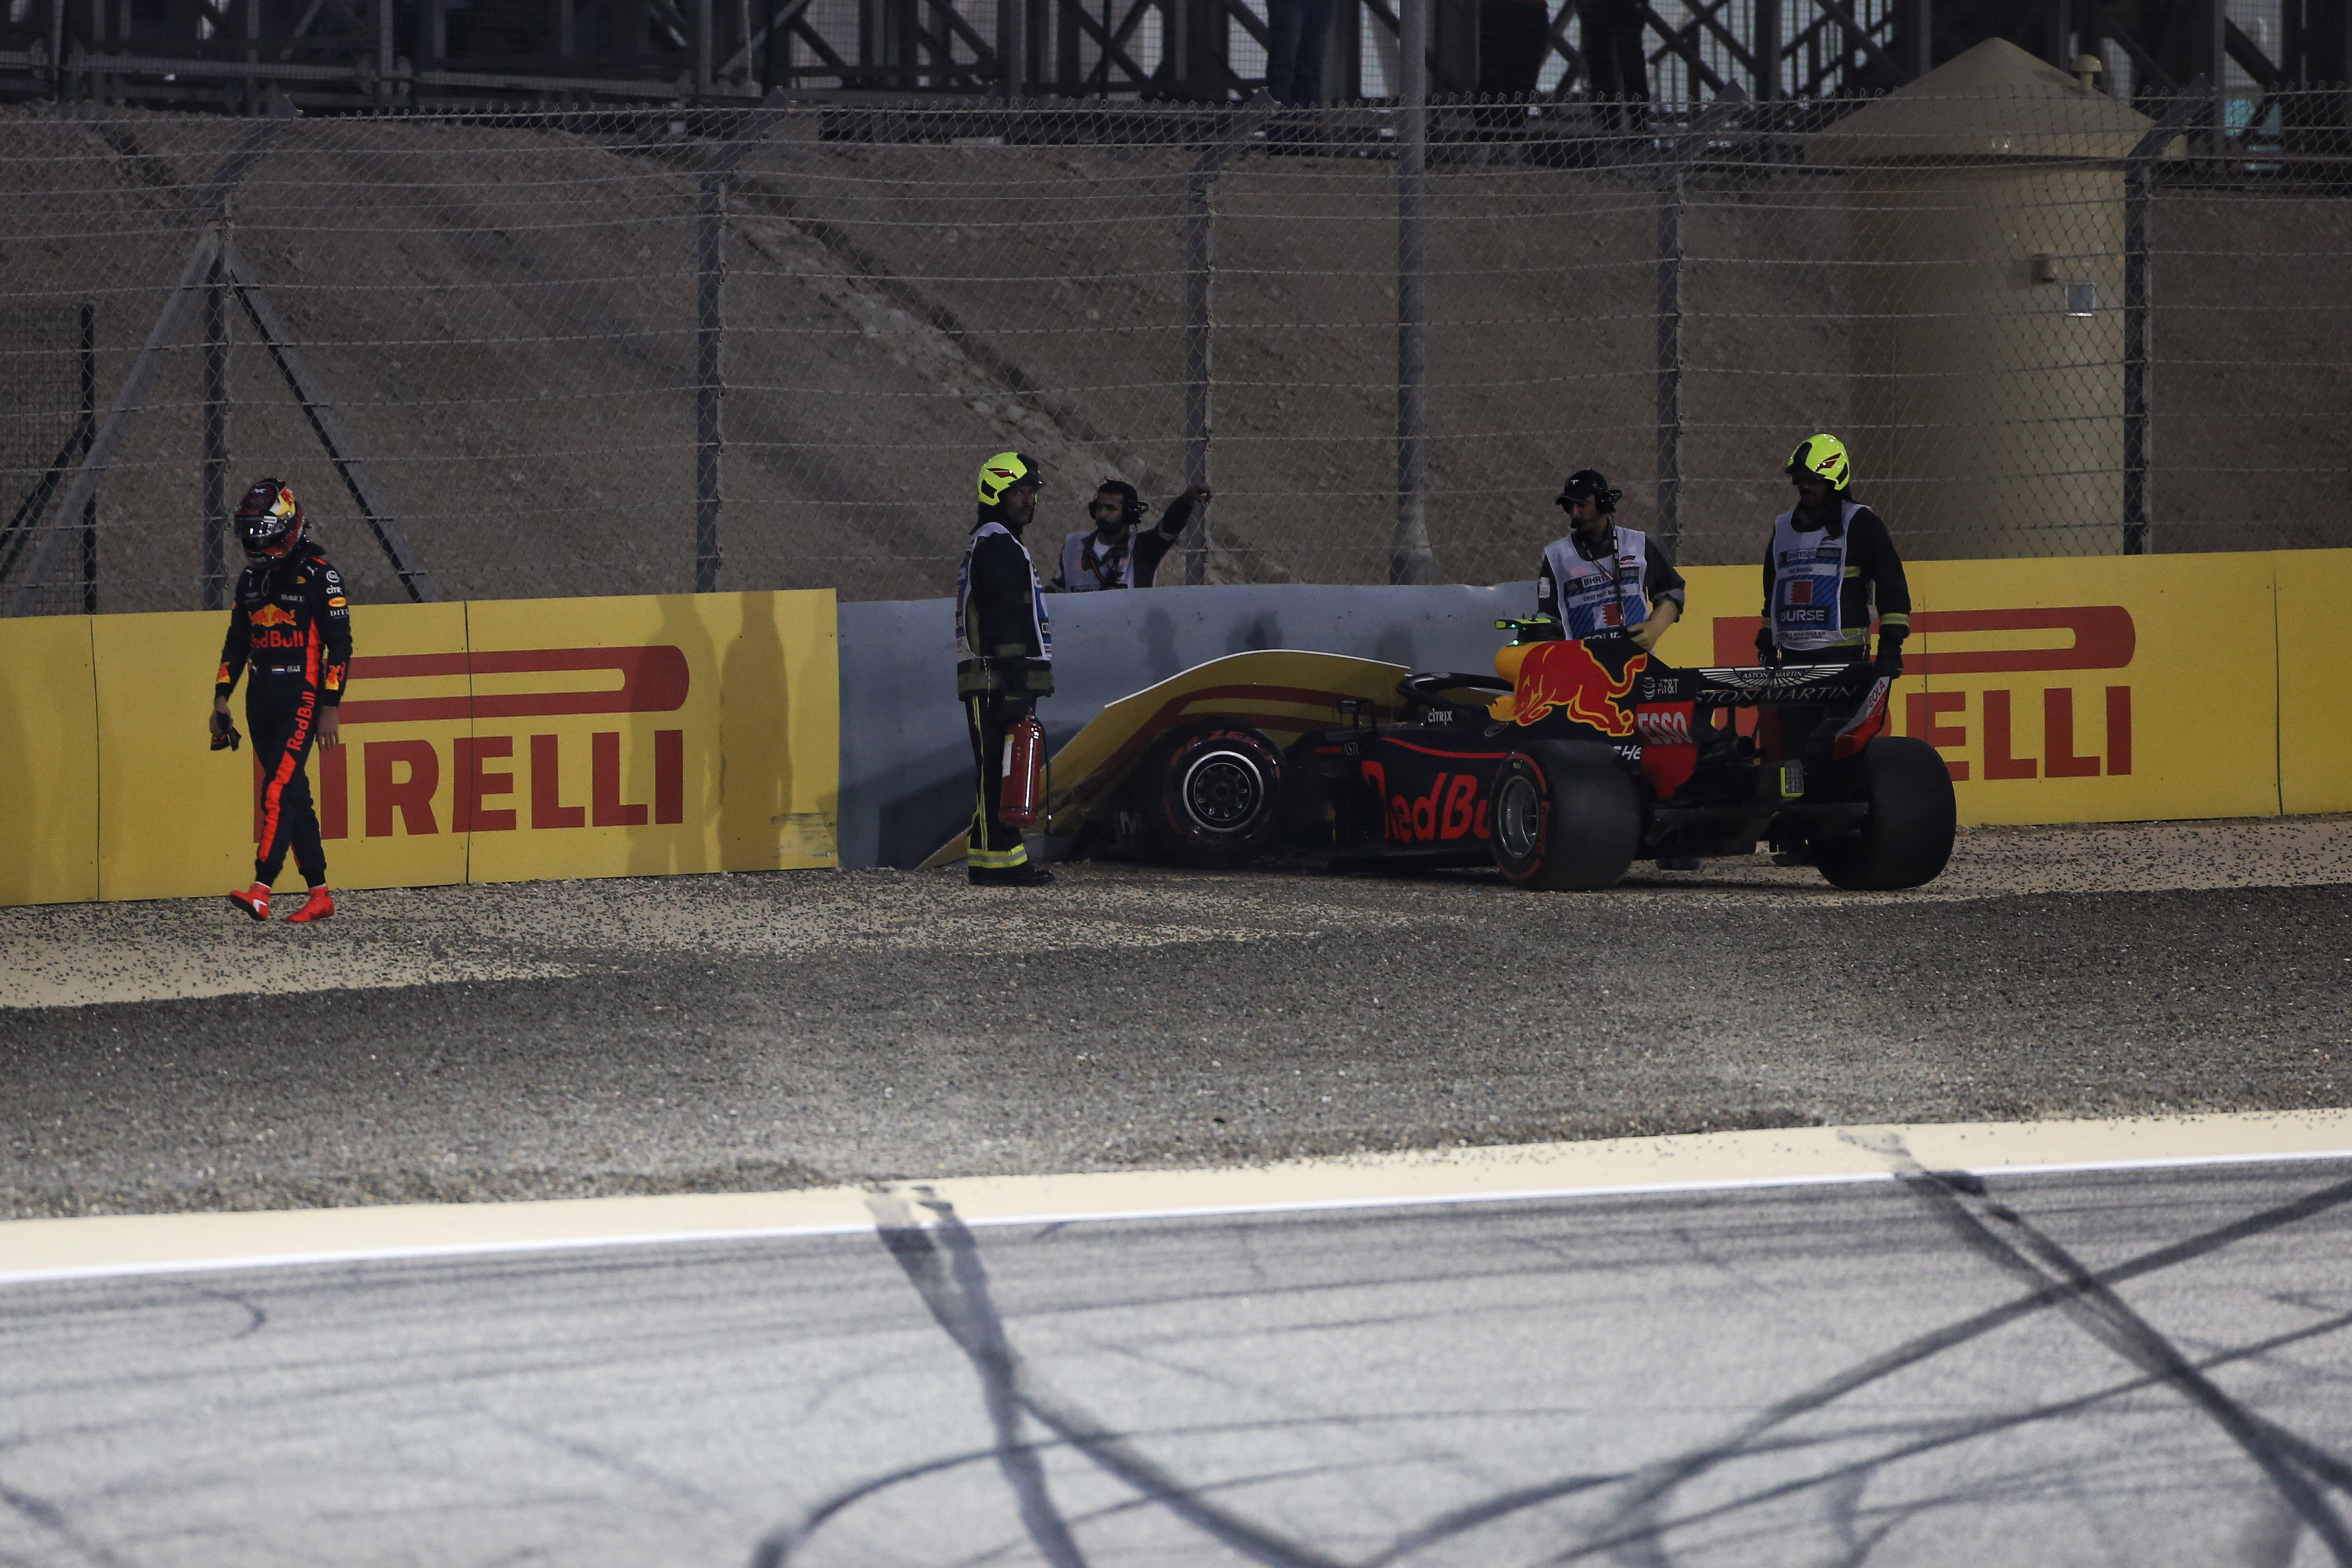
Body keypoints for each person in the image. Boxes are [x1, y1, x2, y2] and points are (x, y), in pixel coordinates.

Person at [213, 478, 351, 923]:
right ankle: (320, 893)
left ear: (288, 526)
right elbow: (237, 643)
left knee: (275, 792)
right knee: (294, 795)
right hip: (259, 699)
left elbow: (341, 647)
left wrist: (330, 706)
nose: (256, 544)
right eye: (250, 534)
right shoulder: (251, 579)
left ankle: (262, 889)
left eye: (263, 533)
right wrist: (221, 698)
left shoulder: (320, 575)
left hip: (302, 699)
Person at [1755, 432, 1911, 769]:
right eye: (1801, 480)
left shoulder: (1861, 524)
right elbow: (1774, 590)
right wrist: (1767, 640)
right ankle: (1799, 815)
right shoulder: (1783, 528)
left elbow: (1893, 587)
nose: (1806, 487)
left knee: (1841, 755)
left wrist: (1890, 650)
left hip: (1844, 661)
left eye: (1815, 480)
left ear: (1835, 480)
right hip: (1793, 661)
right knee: (1793, 755)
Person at [957, 451, 1056, 888]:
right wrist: (1015, 685)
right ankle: (1001, 863)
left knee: (1002, 765)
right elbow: (1003, 619)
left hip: (1002, 676)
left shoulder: (999, 541)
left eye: (1032, 492)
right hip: (996, 678)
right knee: (998, 767)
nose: (1028, 500)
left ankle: (992, 859)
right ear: (995, 493)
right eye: (1019, 492)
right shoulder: (997, 543)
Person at [1532, 468, 1685, 650]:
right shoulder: (1556, 556)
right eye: (1569, 507)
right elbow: (1548, 616)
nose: (1575, 514)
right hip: (1582, 663)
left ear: (1603, 503)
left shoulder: (1636, 544)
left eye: (1582, 505)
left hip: (1636, 661)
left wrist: (1656, 627)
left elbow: (1672, 589)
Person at [1045, 480, 1210, 593]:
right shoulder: (1074, 546)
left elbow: (1169, 527)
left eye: (1110, 509)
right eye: (1099, 507)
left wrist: (1186, 501)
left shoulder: (1142, 549)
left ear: (1129, 513)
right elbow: (1058, 590)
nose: (1102, 514)